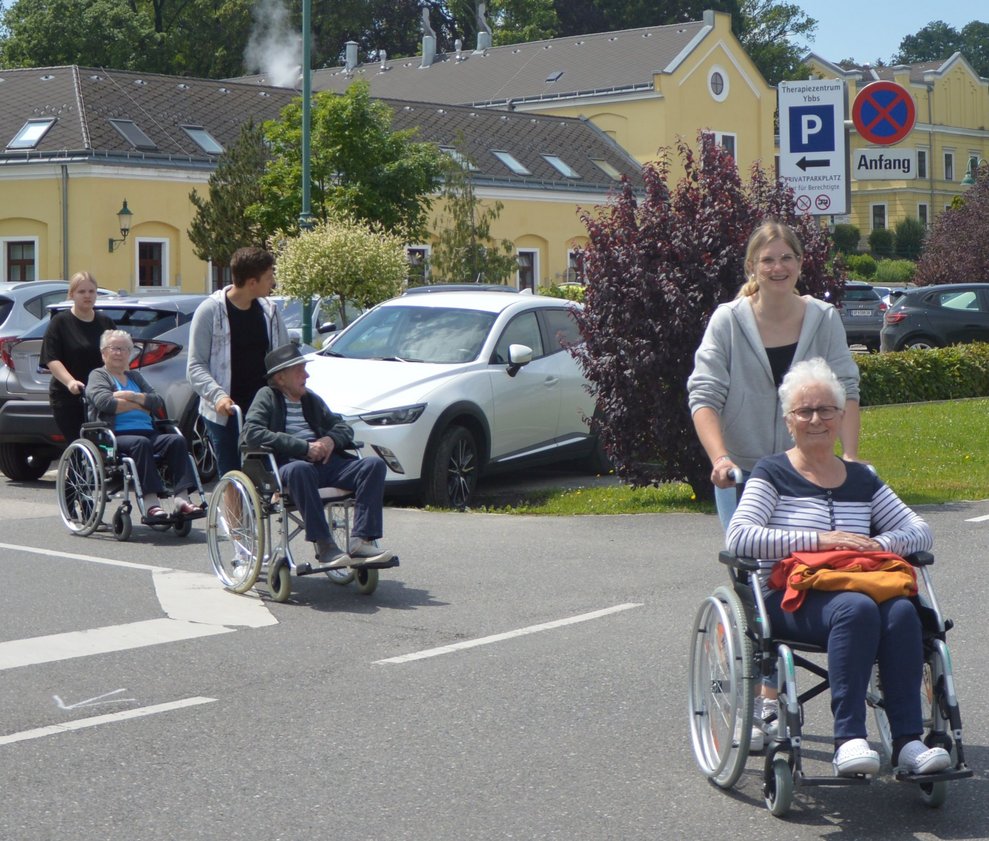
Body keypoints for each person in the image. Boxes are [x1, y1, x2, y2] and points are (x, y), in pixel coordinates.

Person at [726, 358, 951, 778]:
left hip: (858, 586)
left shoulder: (862, 479)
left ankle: (908, 742)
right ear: (788, 420)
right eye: (805, 411)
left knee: (903, 612)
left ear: (841, 417)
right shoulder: (771, 473)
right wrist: (819, 541)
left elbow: (919, 530)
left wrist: (878, 544)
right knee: (856, 608)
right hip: (790, 597)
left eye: (826, 410)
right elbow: (739, 537)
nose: (816, 419)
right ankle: (848, 739)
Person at [688, 221, 862, 531]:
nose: (778, 267)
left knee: (808, 554)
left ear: (799, 263)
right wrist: (720, 459)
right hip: (743, 472)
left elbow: (846, 390)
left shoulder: (824, 318)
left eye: (786, 258)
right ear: (751, 267)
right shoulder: (728, 321)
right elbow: (704, 396)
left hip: (808, 470)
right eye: (767, 260)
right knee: (749, 557)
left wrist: (849, 456)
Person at [241, 343, 394, 569]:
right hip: (287, 466)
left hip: (325, 464)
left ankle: (361, 541)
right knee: (300, 469)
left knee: (373, 465)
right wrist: (303, 447)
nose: (307, 375)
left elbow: (343, 427)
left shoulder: (310, 399)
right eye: (300, 370)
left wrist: (330, 440)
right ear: (281, 378)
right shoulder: (267, 396)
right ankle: (325, 545)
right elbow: (252, 433)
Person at [187, 247, 288, 478]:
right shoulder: (210, 311)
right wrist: (218, 396)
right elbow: (195, 366)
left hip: (262, 407)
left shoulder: (270, 311)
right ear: (252, 282)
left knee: (271, 473)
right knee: (233, 474)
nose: (273, 282)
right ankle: (233, 503)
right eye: (269, 277)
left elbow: (282, 356)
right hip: (227, 410)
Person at [87, 329, 204, 521]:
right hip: (115, 436)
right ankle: (151, 504)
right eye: (114, 348)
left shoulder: (135, 377)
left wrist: (131, 396)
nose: (119, 353)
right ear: (103, 352)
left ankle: (182, 499)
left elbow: (157, 401)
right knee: (140, 443)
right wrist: (142, 405)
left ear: (130, 353)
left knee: (176, 440)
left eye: (125, 349)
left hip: (148, 432)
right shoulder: (98, 375)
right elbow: (105, 403)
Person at [41, 271, 115, 444]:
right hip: (69, 398)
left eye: (91, 291)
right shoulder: (60, 322)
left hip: (101, 396)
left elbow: (117, 355)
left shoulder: (105, 322)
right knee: (80, 443)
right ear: (72, 294)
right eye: (82, 292)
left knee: (105, 446)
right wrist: (70, 382)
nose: (87, 296)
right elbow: (52, 359)